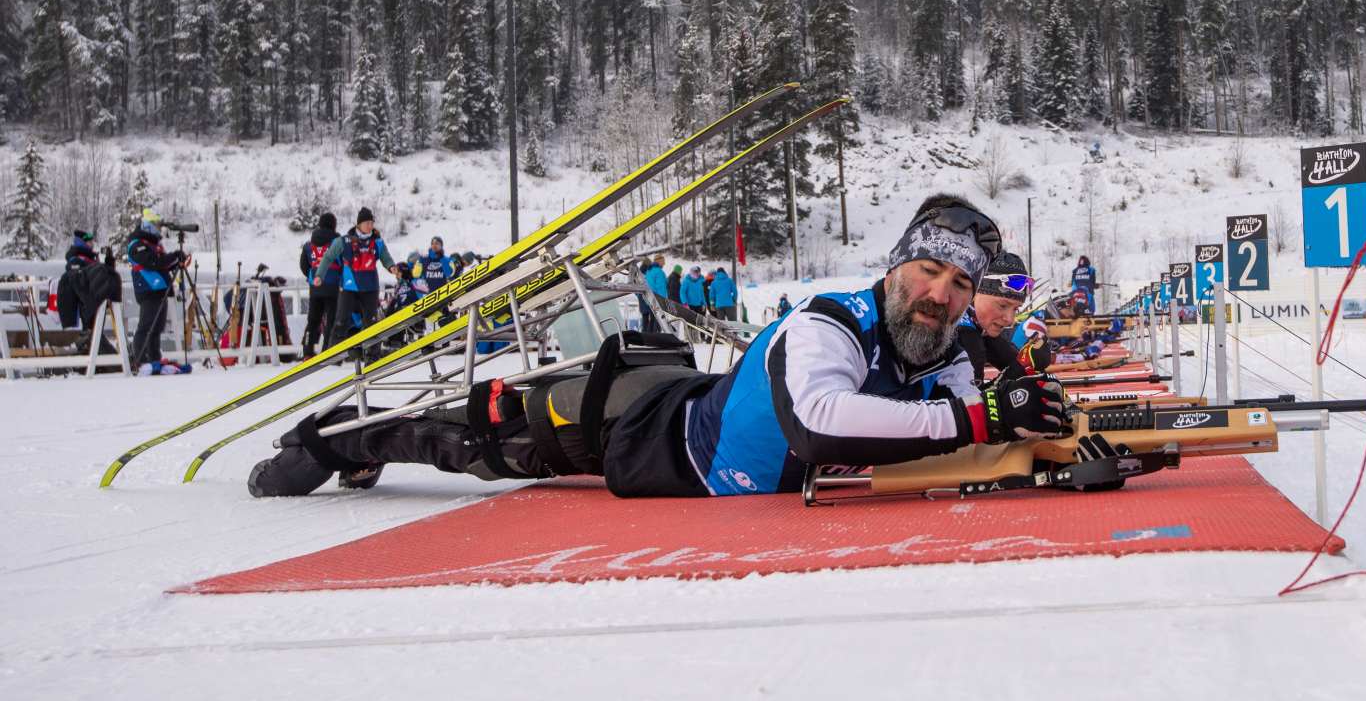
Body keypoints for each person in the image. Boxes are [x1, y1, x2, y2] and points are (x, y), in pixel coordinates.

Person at [246, 194, 1070, 499]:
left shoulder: (944, 346)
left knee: (488, 434)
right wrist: (980, 417)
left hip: (692, 410)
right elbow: (820, 425)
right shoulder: (828, 321)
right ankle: (324, 439)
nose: (941, 295)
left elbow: (973, 409)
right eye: (929, 272)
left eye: (958, 285)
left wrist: (1026, 413)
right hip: (645, 431)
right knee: (480, 438)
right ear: (897, 266)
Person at [312, 207, 399, 348]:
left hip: (370, 287)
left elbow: (385, 257)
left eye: (372, 223)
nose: (370, 226)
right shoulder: (344, 241)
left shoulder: (377, 242)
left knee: (370, 322)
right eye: (367, 223)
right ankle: (335, 351)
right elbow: (328, 258)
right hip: (349, 287)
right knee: (341, 320)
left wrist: (392, 267)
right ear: (359, 224)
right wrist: (319, 276)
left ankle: (372, 355)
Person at [954, 251, 1038, 385]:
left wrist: (1029, 364)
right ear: (973, 292)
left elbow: (1012, 363)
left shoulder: (978, 327)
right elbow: (969, 403)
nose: (1010, 319)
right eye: (1003, 305)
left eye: (1016, 309)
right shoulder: (964, 337)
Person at [125, 209, 189, 373]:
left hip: (160, 289)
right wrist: (173, 256)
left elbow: (162, 264)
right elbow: (153, 262)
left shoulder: (154, 245)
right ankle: (140, 360)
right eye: (155, 225)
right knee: (146, 326)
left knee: (157, 328)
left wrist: (176, 261)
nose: (158, 229)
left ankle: (154, 359)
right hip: (147, 289)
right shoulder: (137, 244)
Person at [299, 213, 340, 358]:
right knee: (331, 320)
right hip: (334, 286)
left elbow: (304, 266)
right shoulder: (337, 241)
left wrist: (313, 277)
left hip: (315, 287)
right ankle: (327, 352)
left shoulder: (309, 244)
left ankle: (307, 351)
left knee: (313, 320)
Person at [56, 231, 97, 330]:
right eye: (89, 241)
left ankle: (91, 342)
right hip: (84, 298)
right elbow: (76, 275)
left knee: (93, 327)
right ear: (82, 243)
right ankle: (89, 342)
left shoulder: (89, 256)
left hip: (91, 296)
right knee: (90, 326)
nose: (92, 244)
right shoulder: (77, 257)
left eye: (92, 241)